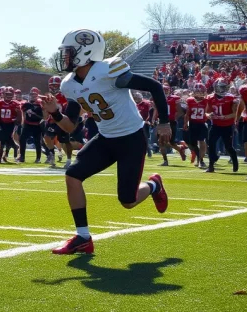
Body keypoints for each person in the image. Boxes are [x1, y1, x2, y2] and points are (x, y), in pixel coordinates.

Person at [47, 29, 171, 255]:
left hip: (131, 138)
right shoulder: (69, 84)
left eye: (69, 52)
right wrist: (55, 113)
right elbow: (70, 126)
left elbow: (154, 86)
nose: (65, 57)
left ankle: (154, 185)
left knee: (128, 201)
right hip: (105, 137)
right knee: (73, 176)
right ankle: (83, 237)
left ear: (85, 51)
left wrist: (164, 122)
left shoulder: (108, 70)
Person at [205, 79, 238, 173]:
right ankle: (211, 165)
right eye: (221, 86)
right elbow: (206, 112)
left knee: (228, 147)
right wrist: (209, 115)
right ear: (216, 87)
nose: (223, 89)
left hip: (227, 125)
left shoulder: (231, 98)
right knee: (211, 144)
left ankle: (234, 159)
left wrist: (225, 117)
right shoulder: (210, 97)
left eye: (224, 86)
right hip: (215, 125)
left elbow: (234, 113)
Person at [158, 84, 186, 166]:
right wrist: (155, 118)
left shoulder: (174, 98)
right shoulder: (158, 98)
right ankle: (165, 160)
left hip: (171, 122)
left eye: (166, 90)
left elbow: (180, 111)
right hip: (162, 122)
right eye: (163, 90)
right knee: (161, 142)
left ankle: (179, 148)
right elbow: (157, 109)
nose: (164, 92)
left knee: (171, 142)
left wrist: (174, 119)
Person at [183, 84, 209, 169]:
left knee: (202, 141)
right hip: (193, 124)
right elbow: (187, 114)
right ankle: (199, 157)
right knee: (192, 143)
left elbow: (209, 112)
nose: (198, 93)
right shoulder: (190, 100)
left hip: (202, 123)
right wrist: (185, 123)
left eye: (200, 91)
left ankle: (201, 160)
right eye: (197, 91)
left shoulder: (207, 100)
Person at [0, 86, 21, 163]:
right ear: (3, 94)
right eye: (6, 94)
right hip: (2, 123)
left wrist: (18, 121)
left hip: (11, 123)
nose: (8, 96)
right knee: (3, 140)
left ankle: (1, 157)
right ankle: (13, 149)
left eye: (10, 94)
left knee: (6, 140)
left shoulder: (15, 103)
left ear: (13, 95)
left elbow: (19, 114)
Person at [20, 87, 45, 163]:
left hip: (37, 125)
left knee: (37, 141)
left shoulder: (41, 104)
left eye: (34, 94)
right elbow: (23, 113)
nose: (33, 96)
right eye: (31, 94)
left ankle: (38, 158)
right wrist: (23, 122)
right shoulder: (26, 104)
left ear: (37, 95)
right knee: (22, 140)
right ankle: (22, 157)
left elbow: (43, 116)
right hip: (27, 124)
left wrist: (36, 115)